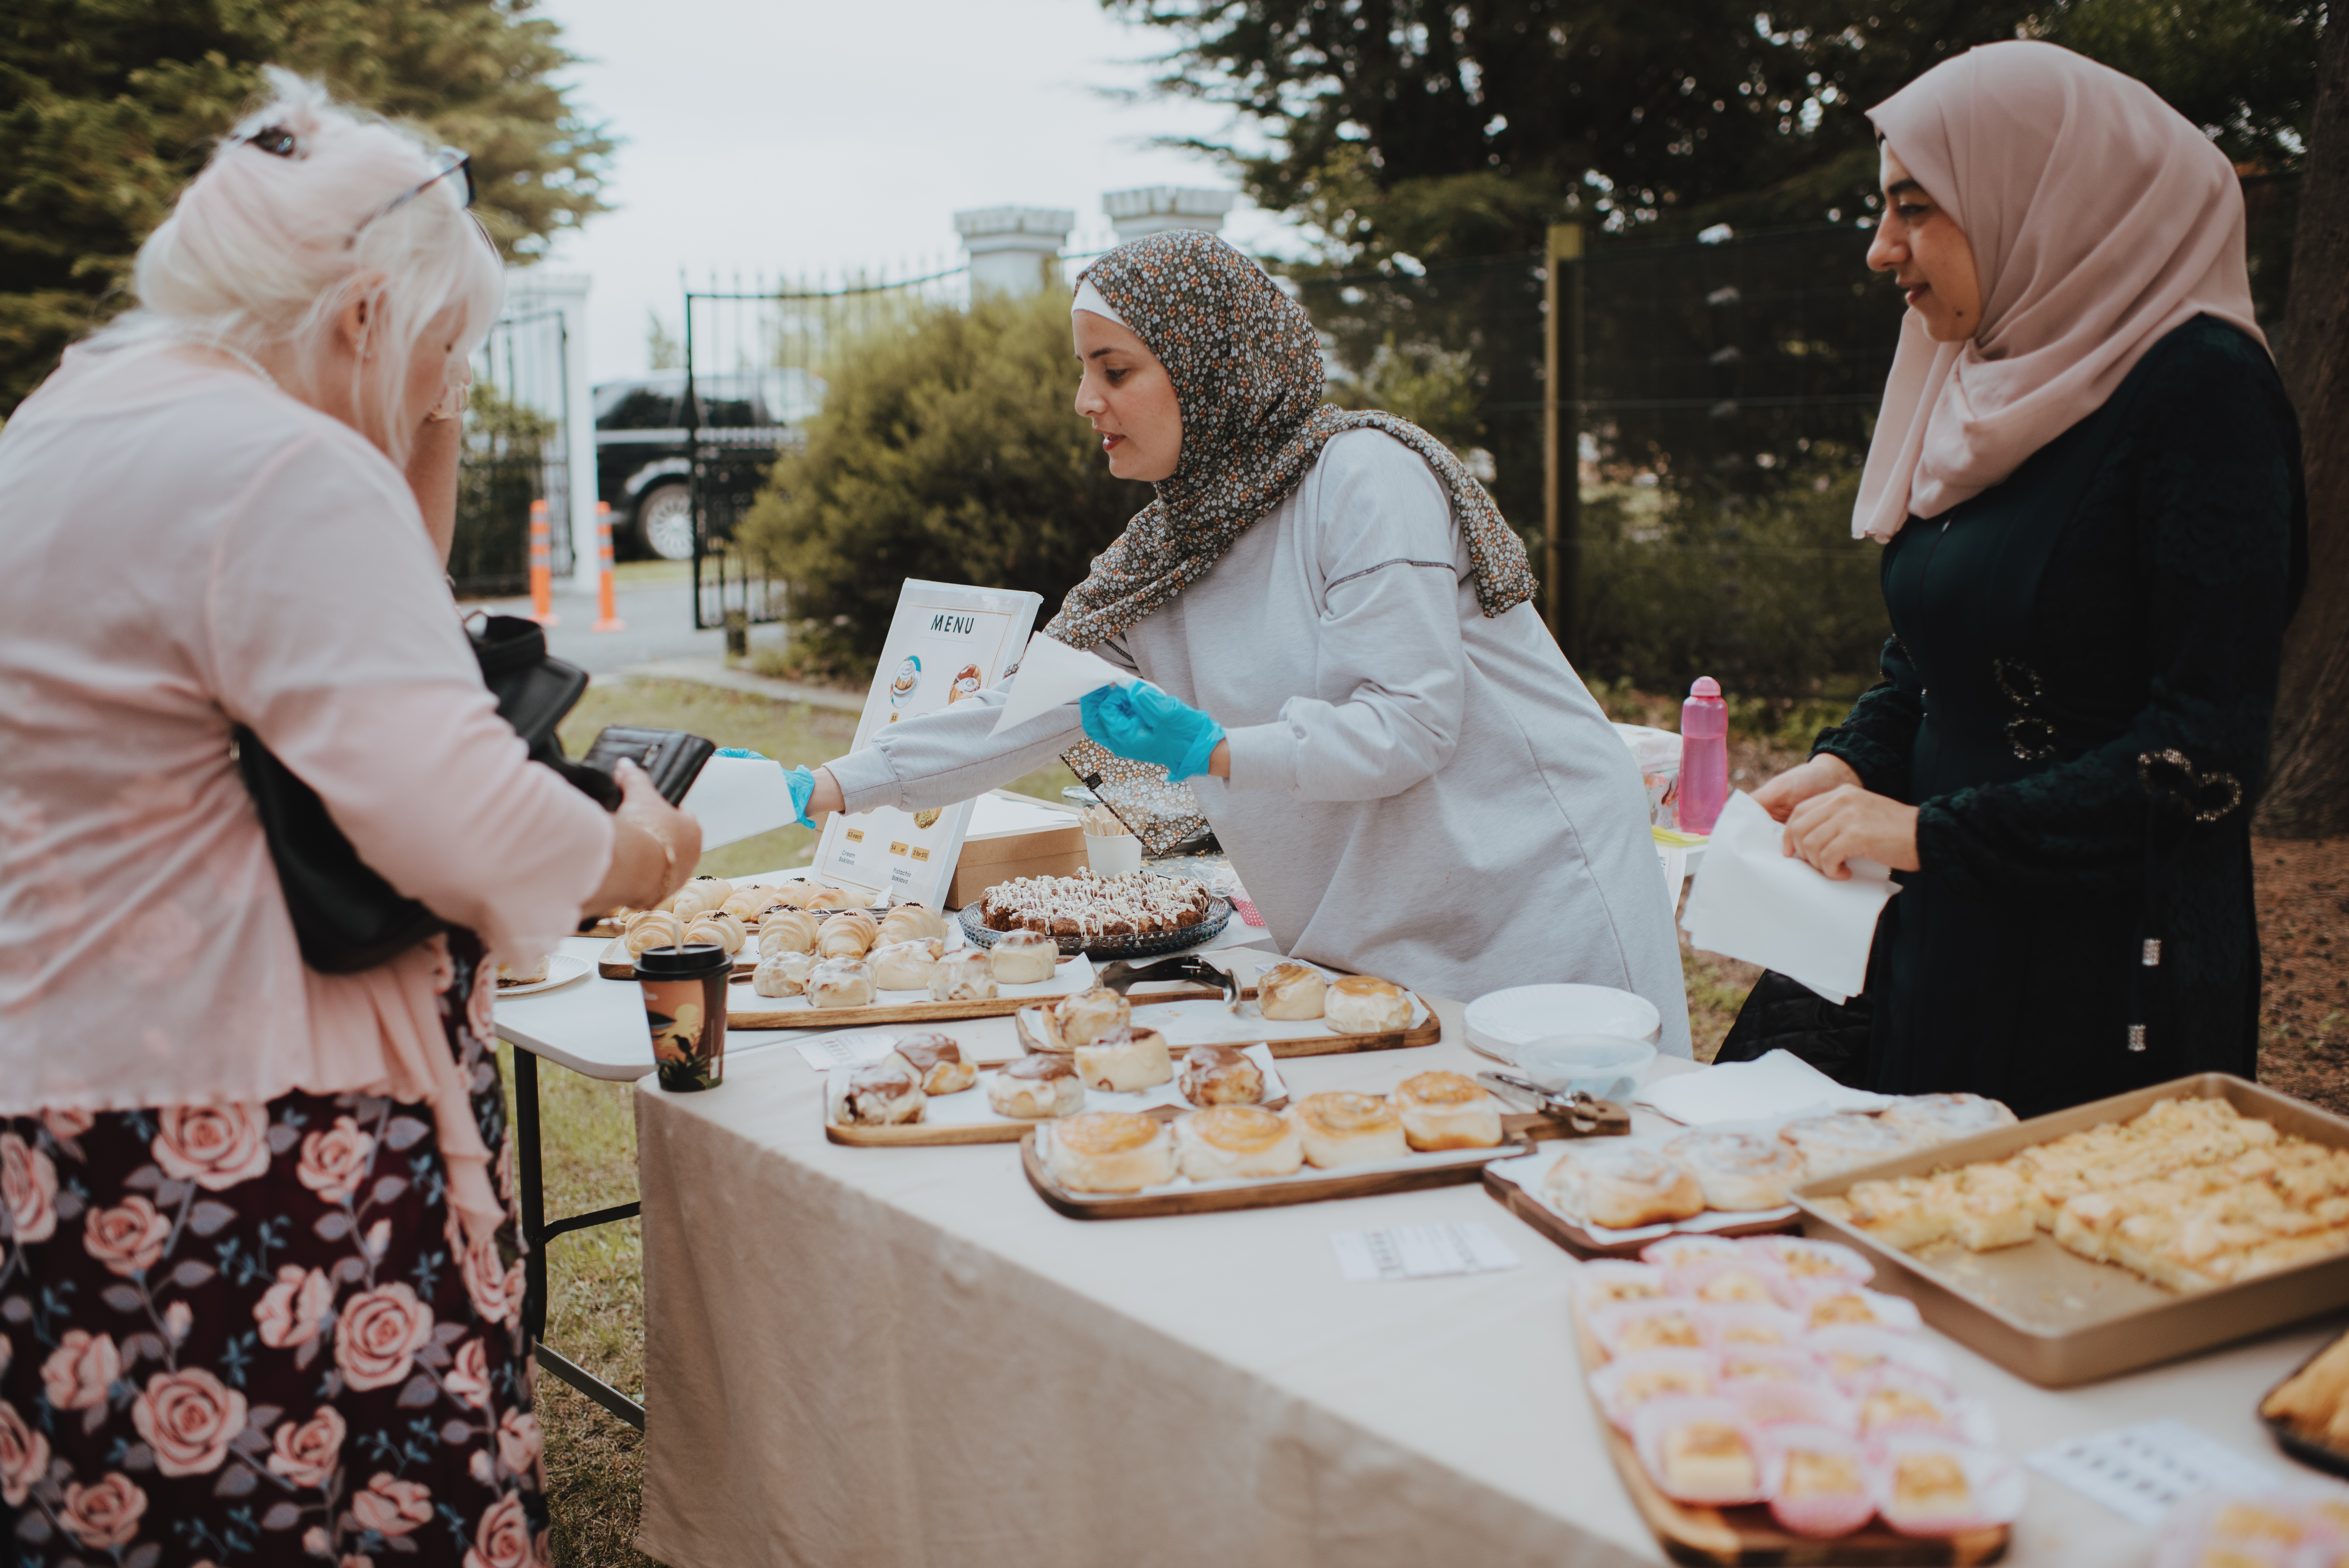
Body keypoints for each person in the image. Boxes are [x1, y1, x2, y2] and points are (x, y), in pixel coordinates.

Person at [0, 73, 699, 1562]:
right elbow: (454, 813)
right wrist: (631, 855)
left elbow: (390, 637)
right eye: (441, 357)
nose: (436, 400)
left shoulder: (65, 425)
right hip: (247, 1145)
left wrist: (422, 405)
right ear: (367, 316)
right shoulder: (273, 463)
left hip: (66, 1123)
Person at [803, 229, 1689, 1051]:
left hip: (1527, 897)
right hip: (1370, 919)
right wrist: (831, 785)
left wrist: (1213, 750)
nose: (1084, 401)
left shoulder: (1361, 479)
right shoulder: (1162, 554)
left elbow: (1408, 727)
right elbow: (1018, 711)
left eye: (1114, 370)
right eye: (1083, 372)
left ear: (1209, 366)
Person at [1747, 42, 2306, 1117]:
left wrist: (1928, 834)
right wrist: (1852, 763)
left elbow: (2207, 753)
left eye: (1915, 207)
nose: (1879, 250)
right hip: (1943, 934)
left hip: (2099, 973)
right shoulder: (1982, 378)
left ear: (2045, 192)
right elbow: (1934, 652)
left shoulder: (2202, 396)